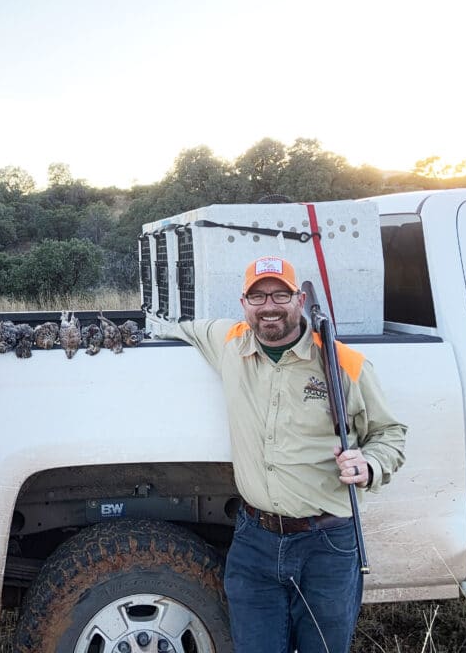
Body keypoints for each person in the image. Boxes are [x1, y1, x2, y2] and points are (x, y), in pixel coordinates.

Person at [157, 255, 406, 653]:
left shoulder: (343, 363)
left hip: (327, 544)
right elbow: (174, 326)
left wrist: (369, 464)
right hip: (254, 541)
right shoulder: (228, 342)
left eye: (279, 294)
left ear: (299, 299)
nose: (268, 306)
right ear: (243, 303)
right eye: (257, 297)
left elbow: (390, 433)